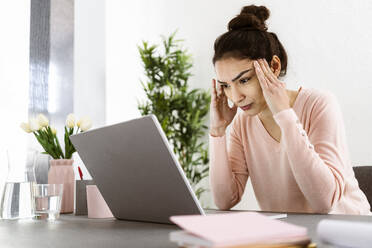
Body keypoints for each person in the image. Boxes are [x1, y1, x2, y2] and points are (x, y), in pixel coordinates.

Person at [209, 5, 371, 214]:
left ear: (274, 67)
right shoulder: (243, 122)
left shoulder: (319, 104)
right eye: (226, 85)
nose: (236, 97)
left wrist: (284, 115)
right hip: (291, 238)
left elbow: (325, 202)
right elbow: (225, 200)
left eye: (244, 80)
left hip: (347, 234)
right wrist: (217, 131)